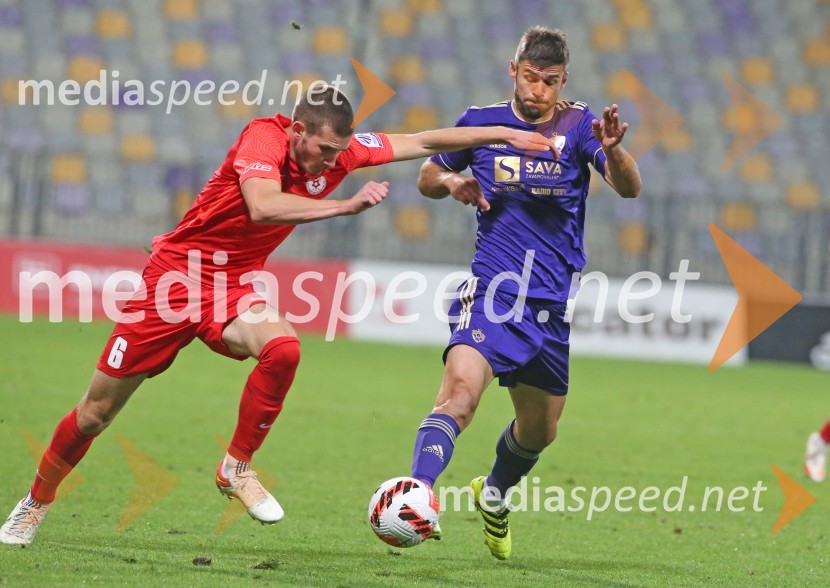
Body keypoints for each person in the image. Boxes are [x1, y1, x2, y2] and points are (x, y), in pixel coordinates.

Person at [0, 85, 557, 545]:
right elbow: (262, 205)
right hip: (172, 283)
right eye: (322, 153)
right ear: (297, 133)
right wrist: (345, 204)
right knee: (96, 413)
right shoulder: (263, 137)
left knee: (284, 348)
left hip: (231, 287)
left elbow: (422, 139)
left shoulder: (341, 150)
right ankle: (35, 502)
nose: (332, 162)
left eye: (340, 154)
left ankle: (236, 467)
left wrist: (502, 132)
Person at [407, 27, 641, 559]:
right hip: (493, 291)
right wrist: (450, 184)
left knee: (540, 431)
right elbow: (426, 173)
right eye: (531, 77)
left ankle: (493, 493)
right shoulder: (479, 123)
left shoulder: (581, 127)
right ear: (514, 70)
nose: (539, 91)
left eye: (551, 82)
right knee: (460, 396)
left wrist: (614, 152)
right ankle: (417, 493)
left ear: (564, 81)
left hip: (550, 306)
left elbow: (629, 188)